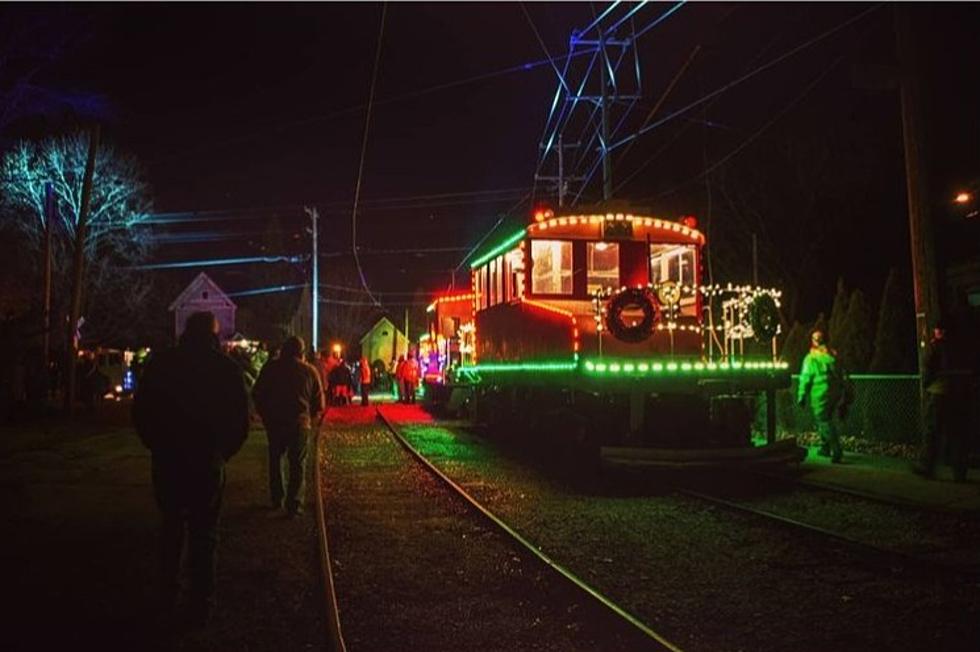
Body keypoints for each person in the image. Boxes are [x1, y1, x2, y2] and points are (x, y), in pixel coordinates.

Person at [133, 311, 249, 627]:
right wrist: (221, 453)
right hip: (206, 461)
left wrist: (157, 445)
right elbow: (240, 420)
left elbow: (142, 412)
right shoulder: (226, 369)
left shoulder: (162, 364)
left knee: (170, 527)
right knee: (205, 533)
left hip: (169, 459)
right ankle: (201, 602)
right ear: (212, 334)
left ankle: (167, 595)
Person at [252, 336, 324, 515]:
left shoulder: (270, 368)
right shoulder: (310, 371)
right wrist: (310, 417)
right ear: (301, 352)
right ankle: (294, 503)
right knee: (297, 463)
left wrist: (265, 415)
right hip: (300, 422)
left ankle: (277, 499)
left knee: (275, 460)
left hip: (275, 421)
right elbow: (319, 403)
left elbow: (257, 393)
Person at [915, 319, 972, 482]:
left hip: (939, 392)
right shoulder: (960, 347)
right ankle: (960, 471)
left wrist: (926, 384)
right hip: (959, 395)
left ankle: (927, 466)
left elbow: (928, 368)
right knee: (957, 434)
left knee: (932, 431)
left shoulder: (936, 347)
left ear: (938, 331)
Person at [797, 330, 847, 463]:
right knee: (827, 417)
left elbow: (806, 378)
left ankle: (836, 450)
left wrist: (801, 396)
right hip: (835, 391)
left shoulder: (811, 358)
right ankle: (824, 448)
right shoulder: (833, 354)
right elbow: (842, 373)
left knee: (823, 420)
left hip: (820, 392)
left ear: (813, 341)